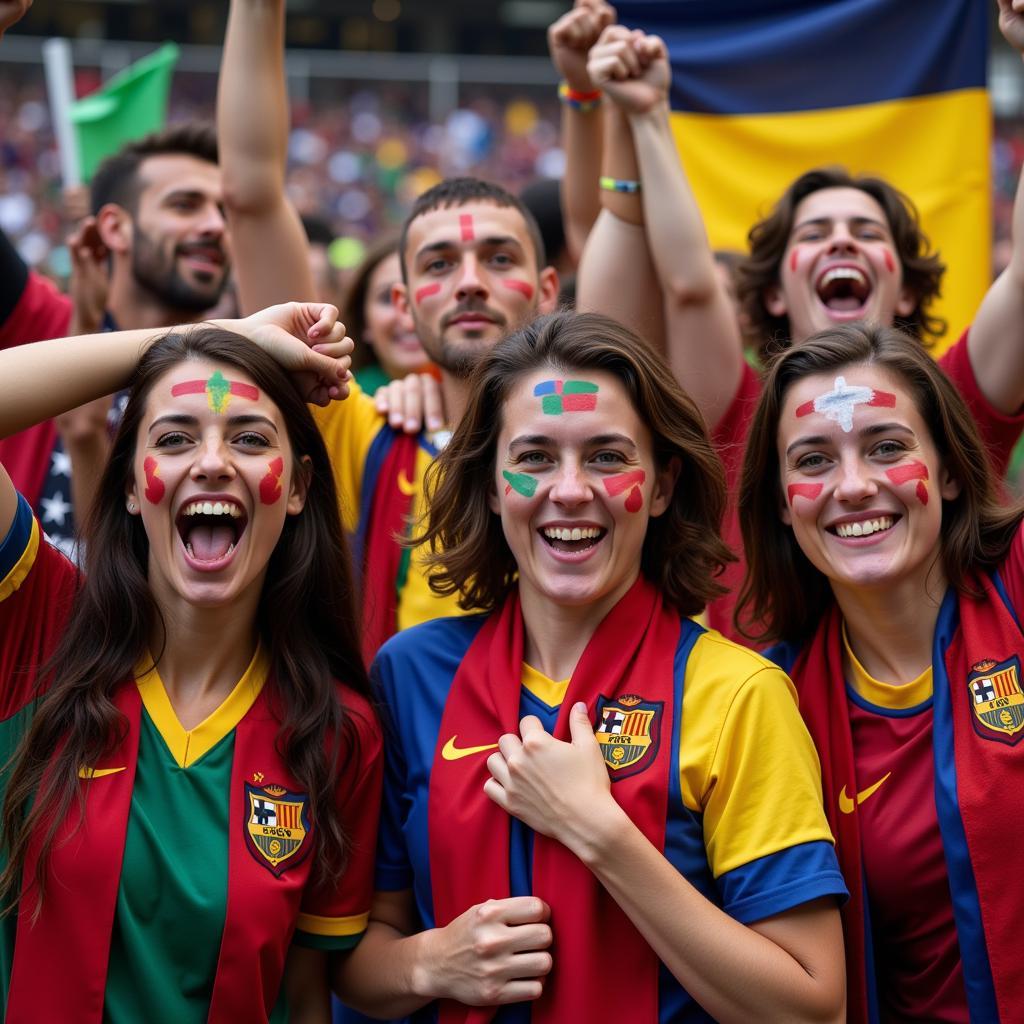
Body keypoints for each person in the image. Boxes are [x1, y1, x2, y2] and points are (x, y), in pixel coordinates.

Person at [333, 311, 848, 1023]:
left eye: (607, 457)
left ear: (663, 486)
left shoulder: (738, 693)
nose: (570, 490)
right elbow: (352, 959)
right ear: (489, 484)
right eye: (536, 457)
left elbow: (812, 1009)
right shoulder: (410, 673)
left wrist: (601, 834)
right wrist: (430, 962)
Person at [578, 5, 1024, 638]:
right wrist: (646, 115)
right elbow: (688, 288)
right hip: (763, 730)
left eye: (866, 233)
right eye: (816, 234)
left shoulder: (950, 400)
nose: (842, 243)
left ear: (903, 287)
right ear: (777, 292)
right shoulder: (737, 417)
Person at [0, 301, 381, 1023]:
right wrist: (208, 340)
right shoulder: (45, 627)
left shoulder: (339, 731)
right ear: (132, 487)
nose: (211, 463)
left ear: (297, 487)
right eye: (174, 439)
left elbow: (304, 1000)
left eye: (248, 437)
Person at [217, 0, 559, 660]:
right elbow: (251, 192)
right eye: (439, 263)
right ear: (402, 302)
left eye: (498, 258)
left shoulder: (594, 448)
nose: (468, 281)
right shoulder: (364, 431)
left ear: (549, 291)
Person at [737, 321, 1024, 1023]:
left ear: (952, 470)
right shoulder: (772, 705)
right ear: (780, 502)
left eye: (887, 447)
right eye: (813, 461)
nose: (855, 486)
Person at [0, 122, 231, 555]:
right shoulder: (46, 325)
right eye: (186, 205)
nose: (216, 225)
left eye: (226, 212)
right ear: (114, 227)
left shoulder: (235, 379)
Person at [342, 232, 432, 394]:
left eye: (423, 294)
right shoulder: (338, 401)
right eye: (387, 298)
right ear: (363, 321)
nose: (408, 314)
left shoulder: (488, 403)